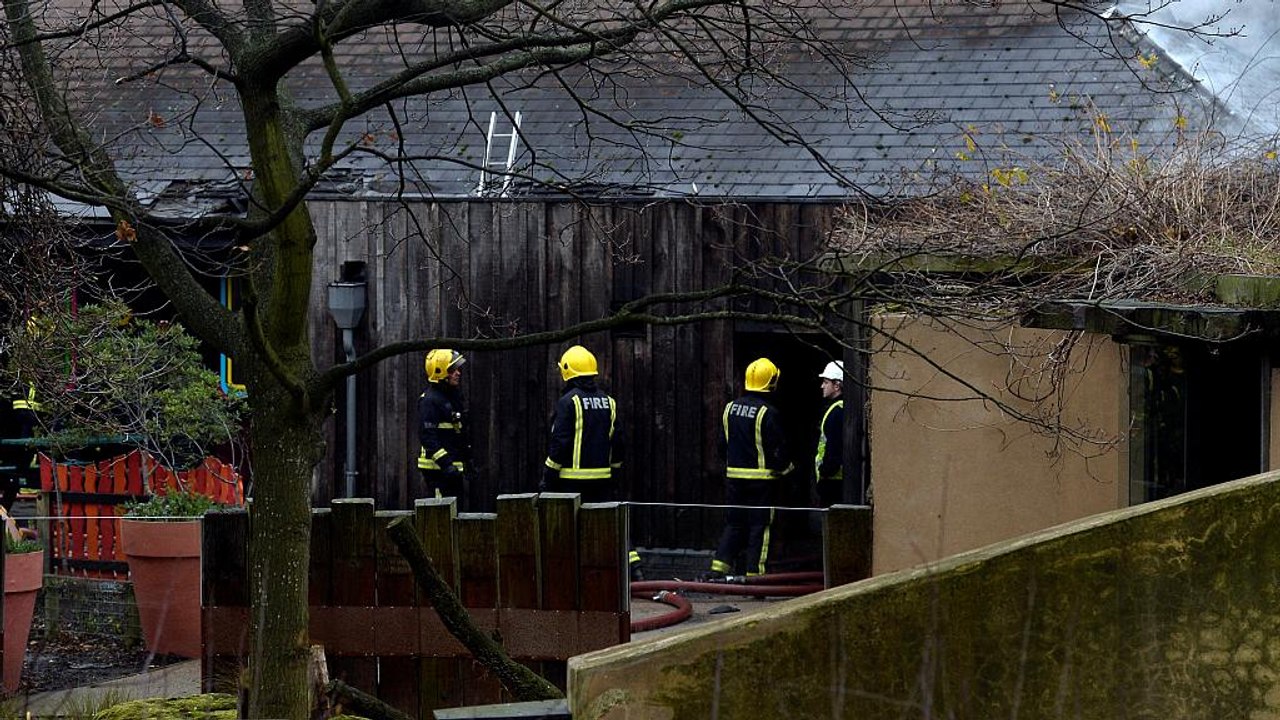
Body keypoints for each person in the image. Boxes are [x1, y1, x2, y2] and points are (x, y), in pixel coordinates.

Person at [543, 345, 642, 579]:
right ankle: (634, 570)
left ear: (568, 371)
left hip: (570, 482)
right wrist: (615, 471)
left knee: (572, 531)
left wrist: (548, 476)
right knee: (612, 526)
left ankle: (575, 577)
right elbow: (618, 442)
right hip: (603, 481)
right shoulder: (609, 402)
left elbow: (560, 443)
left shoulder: (568, 402)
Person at [708, 357, 793, 579]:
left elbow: (721, 445)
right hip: (762, 482)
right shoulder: (768, 412)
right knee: (760, 527)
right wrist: (787, 470)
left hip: (735, 479)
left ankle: (718, 569)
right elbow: (778, 449)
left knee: (734, 522)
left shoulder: (729, 408)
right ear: (771, 382)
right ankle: (756, 575)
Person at [417, 349, 471, 505]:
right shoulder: (430, 401)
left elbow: (458, 432)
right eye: (453, 370)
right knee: (441, 514)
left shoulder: (452, 397)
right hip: (437, 471)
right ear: (440, 372)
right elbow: (428, 437)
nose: (458, 373)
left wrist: (468, 461)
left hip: (452, 469)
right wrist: (446, 465)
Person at [815, 360, 845, 507]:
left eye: (825, 382)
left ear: (837, 385)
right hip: (834, 480)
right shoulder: (838, 408)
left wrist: (825, 472)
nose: (822, 386)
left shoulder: (837, 411)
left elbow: (834, 448)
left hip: (834, 482)